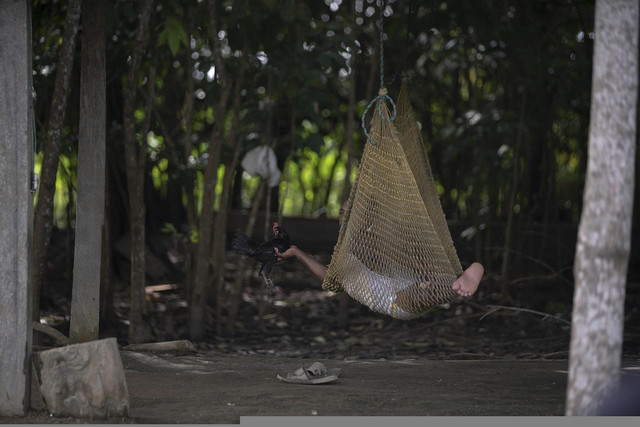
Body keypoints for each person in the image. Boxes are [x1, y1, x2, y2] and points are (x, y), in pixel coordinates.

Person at [275, 202, 484, 303]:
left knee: (436, 289)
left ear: (365, 217)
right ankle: (464, 275)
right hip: (395, 297)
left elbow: (373, 248)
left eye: (352, 212)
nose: (344, 217)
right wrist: (296, 252)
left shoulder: (368, 239)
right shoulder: (344, 251)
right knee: (437, 290)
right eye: (341, 212)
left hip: (400, 291)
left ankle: (468, 273)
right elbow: (329, 280)